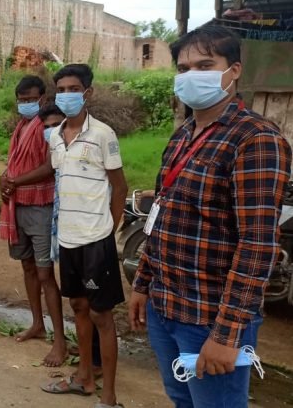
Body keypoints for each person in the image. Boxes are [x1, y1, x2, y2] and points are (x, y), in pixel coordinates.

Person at [129, 25, 292, 408]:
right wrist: (142, 284)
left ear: (234, 70)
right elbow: (163, 215)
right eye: (183, 68)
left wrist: (227, 334)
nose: (191, 76)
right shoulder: (183, 134)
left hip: (209, 317)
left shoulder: (255, 138)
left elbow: (257, 244)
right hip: (165, 306)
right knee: (181, 399)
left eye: (205, 65)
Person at [42, 64, 128, 408]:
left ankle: (108, 395)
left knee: (101, 316)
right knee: (77, 305)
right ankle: (84, 378)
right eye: (61, 89)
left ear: (87, 93)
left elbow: (119, 187)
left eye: (73, 88)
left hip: (95, 241)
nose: (67, 95)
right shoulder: (54, 136)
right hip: (67, 239)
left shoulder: (103, 134)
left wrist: (108, 229)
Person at [0, 76, 67, 367]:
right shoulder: (21, 127)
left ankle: (60, 339)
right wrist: (5, 179)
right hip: (18, 205)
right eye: (22, 99)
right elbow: (13, 165)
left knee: (44, 273)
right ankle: (37, 323)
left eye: (31, 99)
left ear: (42, 98)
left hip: (40, 205)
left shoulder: (47, 127)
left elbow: (51, 165)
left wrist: (15, 181)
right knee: (27, 267)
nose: (26, 103)